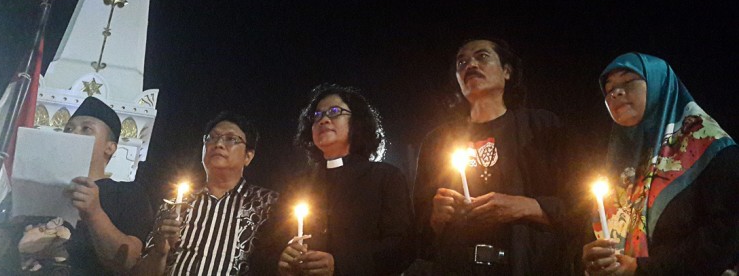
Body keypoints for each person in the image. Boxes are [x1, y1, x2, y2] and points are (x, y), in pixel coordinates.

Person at [413, 39, 568, 275]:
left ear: (507, 71)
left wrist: (524, 206)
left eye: (482, 56)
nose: (470, 65)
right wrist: (435, 216)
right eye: (462, 62)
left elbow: (577, 204)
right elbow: (419, 226)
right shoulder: (437, 141)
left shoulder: (541, 127)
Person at [582, 52, 739, 275]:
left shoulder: (713, 152)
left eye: (628, 81)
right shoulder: (619, 164)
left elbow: (722, 238)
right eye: (608, 88)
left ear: (659, 85)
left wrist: (640, 269)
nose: (615, 93)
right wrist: (597, 261)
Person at [0, 96, 154, 274]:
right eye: (68, 129)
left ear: (110, 147)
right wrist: (9, 224)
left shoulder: (126, 194)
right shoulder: (35, 188)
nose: (74, 134)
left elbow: (129, 262)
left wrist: (94, 213)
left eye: (86, 129)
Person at [270, 84, 414, 275]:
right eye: (317, 115)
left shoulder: (386, 177)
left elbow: (403, 247)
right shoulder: (297, 185)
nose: (324, 120)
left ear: (356, 122)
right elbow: (271, 241)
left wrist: (340, 264)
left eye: (334, 111)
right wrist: (281, 258)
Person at [135, 111, 278, 275]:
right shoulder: (176, 204)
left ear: (248, 156)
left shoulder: (267, 204)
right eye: (211, 137)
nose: (218, 144)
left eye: (231, 139)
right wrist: (159, 251)